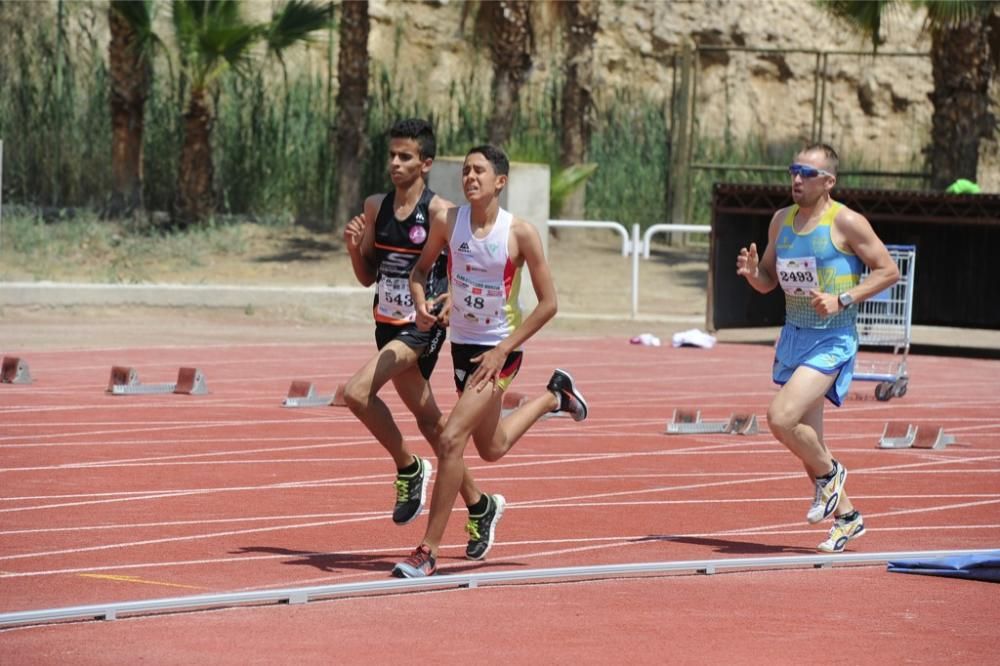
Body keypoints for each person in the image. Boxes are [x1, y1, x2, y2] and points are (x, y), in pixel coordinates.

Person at [391, 144, 589, 578]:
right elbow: (420, 273)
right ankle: (554, 397)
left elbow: (549, 304)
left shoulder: (520, 234)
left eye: (479, 171)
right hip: (462, 348)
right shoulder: (448, 222)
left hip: (499, 350)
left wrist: (503, 349)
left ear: (500, 181)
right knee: (492, 446)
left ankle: (428, 551)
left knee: (450, 439)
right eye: (465, 171)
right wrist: (423, 304)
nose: (469, 177)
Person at [736, 143, 899, 553]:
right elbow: (769, 280)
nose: (796, 180)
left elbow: (889, 271)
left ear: (829, 181)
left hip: (832, 338)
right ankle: (847, 517)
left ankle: (833, 473)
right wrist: (754, 275)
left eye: (807, 174)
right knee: (806, 436)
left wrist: (842, 299)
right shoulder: (780, 221)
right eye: (793, 170)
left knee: (780, 417)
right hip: (794, 335)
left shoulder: (846, 221)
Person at [341, 118, 490, 550]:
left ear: (425, 163)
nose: (395, 163)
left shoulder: (441, 212)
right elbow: (368, 276)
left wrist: (449, 303)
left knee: (355, 392)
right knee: (433, 424)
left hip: (420, 330)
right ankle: (480, 505)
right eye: (391, 155)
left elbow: (468, 269)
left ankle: (409, 468)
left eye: (405, 157)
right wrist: (354, 249)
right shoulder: (375, 207)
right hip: (385, 326)